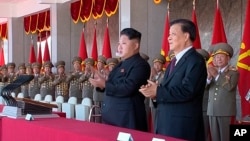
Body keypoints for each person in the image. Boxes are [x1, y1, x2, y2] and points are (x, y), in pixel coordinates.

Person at [139, 19, 207, 141]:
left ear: (186, 36)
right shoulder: (173, 63)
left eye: (173, 34)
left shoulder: (195, 60)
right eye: (169, 34)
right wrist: (154, 95)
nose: (168, 38)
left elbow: (188, 91)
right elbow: (168, 90)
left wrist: (158, 92)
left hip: (182, 128)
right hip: (166, 123)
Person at [89, 28, 151, 131]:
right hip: (111, 117)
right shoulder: (120, 64)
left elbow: (128, 88)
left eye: (124, 44)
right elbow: (112, 84)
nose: (119, 47)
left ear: (135, 46)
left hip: (126, 119)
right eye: (119, 43)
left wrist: (105, 84)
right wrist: (100, 83)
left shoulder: (141, 65)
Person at [206, 43, 239, 141]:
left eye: (221, 57)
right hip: (212, 110)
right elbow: (204, 89)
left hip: (225, 111)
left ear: (228, 58)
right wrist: (208, 78)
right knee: (215, 138)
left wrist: (216, 75)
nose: (218, 59)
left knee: (226, 138)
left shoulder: (233, 72)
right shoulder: (212, 71)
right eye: (216, 57)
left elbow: (230, 87)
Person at [196, 48, 211, 141]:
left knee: (203, 134)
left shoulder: (208, 72)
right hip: (191, 108)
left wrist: (208, 79)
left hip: (204, 108)